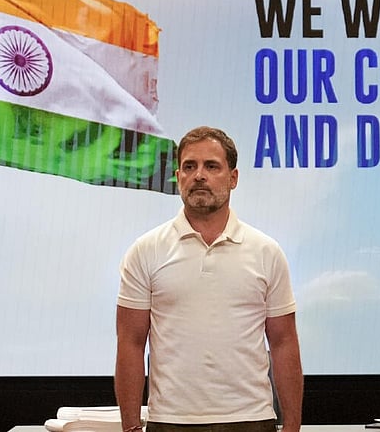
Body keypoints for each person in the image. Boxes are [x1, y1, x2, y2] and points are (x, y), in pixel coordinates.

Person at [115, 126, 303, 432]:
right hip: (170, 422)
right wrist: (131, 427)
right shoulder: (145, 251)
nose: (199, 175)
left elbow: (283, 342)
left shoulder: (266, 252)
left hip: (252, 420)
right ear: (178, 176)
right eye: (190, 166)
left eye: (211, 166)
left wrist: (293, 426)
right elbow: (131, 344)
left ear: (233, 178)